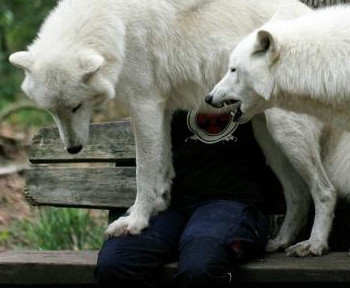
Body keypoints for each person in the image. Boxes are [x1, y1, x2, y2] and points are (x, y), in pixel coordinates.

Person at [95, 109, 280, 287]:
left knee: (200, 267)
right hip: (168, 204)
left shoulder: (251, 78)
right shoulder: (165, 81)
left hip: (234, 201)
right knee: (115, 264)